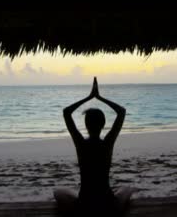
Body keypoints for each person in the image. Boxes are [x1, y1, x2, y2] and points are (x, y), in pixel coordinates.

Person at [54, 77, 137, 216]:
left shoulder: (81, 144)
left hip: (84, 203)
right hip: (108, 203)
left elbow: (66, 112)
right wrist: (99, 97)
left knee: (58, 192)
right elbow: (121, 111)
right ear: (103, 124)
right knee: (127, 189)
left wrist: (89, 97)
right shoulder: (107, 143)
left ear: (86, 125)